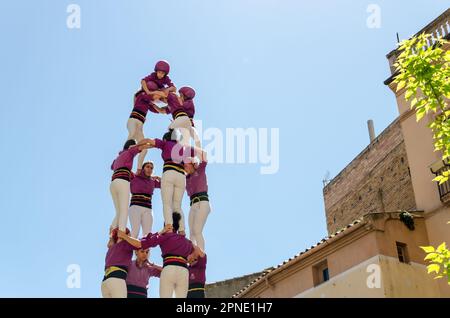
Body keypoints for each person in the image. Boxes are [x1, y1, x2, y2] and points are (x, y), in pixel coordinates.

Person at [118, 212, 204, 298]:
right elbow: (199, 253)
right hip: (183, 271)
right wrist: (190, 256)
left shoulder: (164, 236)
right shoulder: (187, 242)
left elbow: (142, 243)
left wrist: (124, 236)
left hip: (169, 268)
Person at [110, 139, 153, 234]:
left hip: (113, 183)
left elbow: (112, 166)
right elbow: (140, 147)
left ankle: (112, 231)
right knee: (124, 211)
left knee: (119, 212)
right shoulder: (130, 152)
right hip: (122, 181)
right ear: (130, 146)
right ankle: (121, 236)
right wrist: (152, 145)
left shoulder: (118, 157)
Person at [185, 150, 211, 251]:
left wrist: (191, 149)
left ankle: (201, 256)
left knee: (197, 230)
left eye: (186, 164)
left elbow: (204, 154)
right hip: (193, 205)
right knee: (191, 233)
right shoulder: (186, 178)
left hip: (202, 203)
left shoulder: (200, 169)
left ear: (192, 164)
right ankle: (192, 257)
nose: (184, 167)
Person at [129, 161, 161, 238]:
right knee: (135, 232)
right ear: (142, 168)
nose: (149, 169)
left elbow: (165, 184)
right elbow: (125, 169)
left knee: (147, 235)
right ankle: (132, 250)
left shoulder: (152, 181)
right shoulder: (134, 177)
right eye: (147, 167)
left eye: (151, 168)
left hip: (148, 209)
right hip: (135, 207)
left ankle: (146, 250)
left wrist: (159, 178)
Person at [101, 228, 136, 298]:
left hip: (105, 281)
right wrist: (126, 237)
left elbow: (109, 243)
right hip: (117, 278)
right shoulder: (125, 244)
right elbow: (139, 245)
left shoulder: (111, 249)